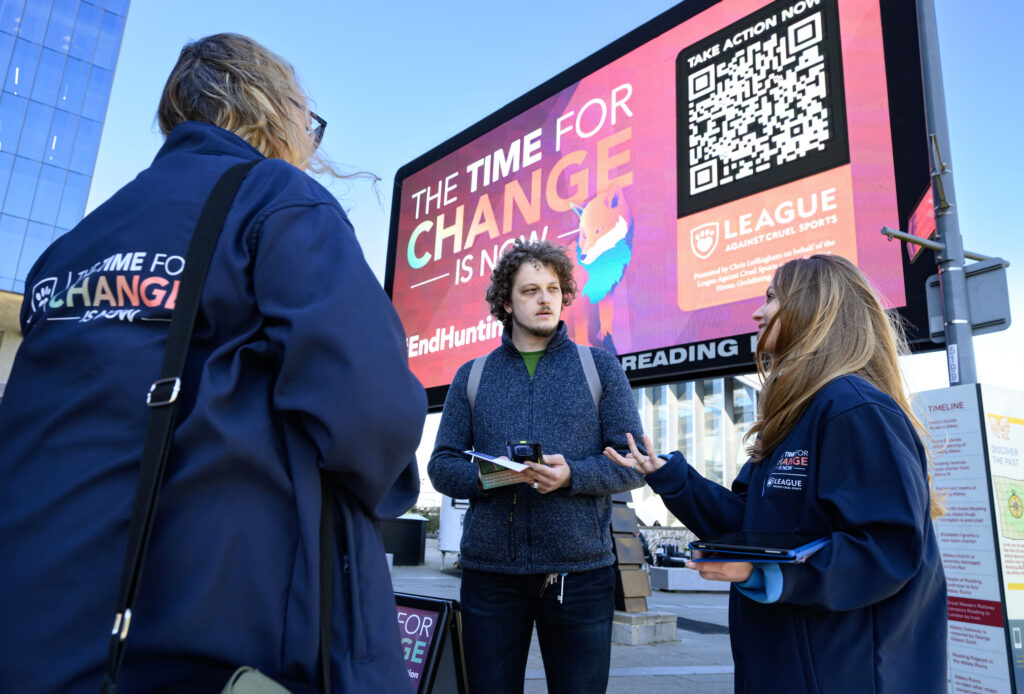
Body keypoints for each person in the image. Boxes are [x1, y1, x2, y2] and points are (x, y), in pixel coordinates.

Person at [0, 34, 426, 694]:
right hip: (223, 640)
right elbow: (372, 413)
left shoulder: (71, 249)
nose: (309, 141)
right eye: (307, 120)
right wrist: (392, 487)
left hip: (38, 634)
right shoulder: (278, 199)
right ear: (269, 106)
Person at [605, 254, 947, 694]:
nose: (757, 312)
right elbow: (750, 526)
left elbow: (887, 549)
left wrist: (770, 573)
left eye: (771, 298)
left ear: (814, 308)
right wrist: (672, 478)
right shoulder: (797, 415)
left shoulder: (852, 407)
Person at [427, 240, 644, 694]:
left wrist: (572, 477)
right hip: (490, 577)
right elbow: (442, 465)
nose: (545, 299)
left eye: (553, 289)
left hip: (579, 575)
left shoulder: (600, 367)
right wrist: (492, 477)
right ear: (506, 302)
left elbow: (633, 463)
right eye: (530, 290)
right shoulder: (472, 375)